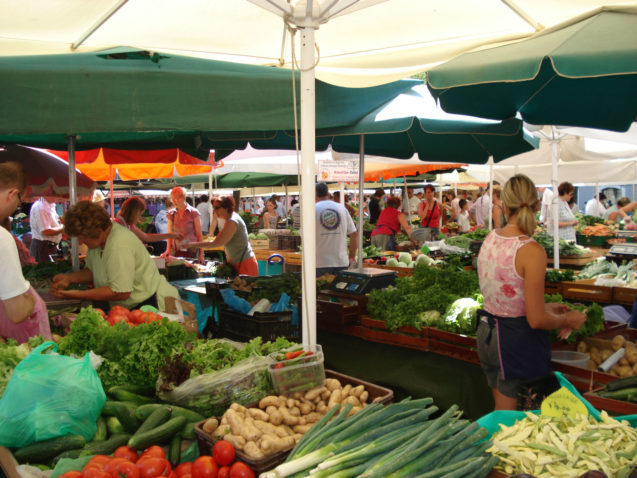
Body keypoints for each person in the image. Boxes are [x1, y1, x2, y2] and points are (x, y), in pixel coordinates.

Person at [476, 174, 586, 410]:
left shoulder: (490, 239)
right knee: (511, 422)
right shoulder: (531, 250)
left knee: (501, 411)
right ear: (537, 206)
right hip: (513, 342)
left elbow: (507, 300)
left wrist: (548, 308)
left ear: (503, 205)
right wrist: (568, 319)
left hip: (487, 333)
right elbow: (535, 320)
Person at [50, 201, 179, 310]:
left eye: (83, 238)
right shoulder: (98, 242)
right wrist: (69, 278)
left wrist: (78, 294)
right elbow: (93, 271)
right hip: (127, 307)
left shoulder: (118, 244)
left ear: (98, 231)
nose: (81, 242)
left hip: (150, 305)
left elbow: (120, 292)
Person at [0, 162, 51, 343]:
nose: (16, 207)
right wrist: (31, 299)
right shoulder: (2, 239)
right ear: (13, 194)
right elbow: (17, 312)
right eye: (19, 201)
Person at [185, 196, 258, 276]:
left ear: (226, 208)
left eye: (217, 208)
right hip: (239, 264)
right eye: (214, 208)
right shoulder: (230, 219)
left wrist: (192, 244)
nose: (214, 211)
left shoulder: (232, 221)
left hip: (245, 265)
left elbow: (216, 243)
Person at [315, 182, 358, 276]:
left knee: (321, 290)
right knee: (339, 290)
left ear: (315, 194)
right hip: (341, 261)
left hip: (320, 262)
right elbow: (354, 234)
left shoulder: (312, 209)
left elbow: (304, 236)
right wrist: (351, 256)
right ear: (328, 194)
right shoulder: (342, 208)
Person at [115, 197, 182, 247]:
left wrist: (171, 235)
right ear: (134, 212)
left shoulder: (128, 224)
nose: (139, 218)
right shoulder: (119, 224)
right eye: (139, 215)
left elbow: (147, 237)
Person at [164, 187, 204, 261]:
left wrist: (201, 254)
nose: (174, 201)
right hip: (176, 252)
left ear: (183, 198)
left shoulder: (194, 212)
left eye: (176, 199)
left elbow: (199, 235)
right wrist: (168, 250)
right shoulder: (171, 214)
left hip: (192, 251)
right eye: (172, 199)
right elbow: (169, 234)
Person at [29, 196, 64, 262]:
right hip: (43, 247)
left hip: (48, 246)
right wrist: (63, 227)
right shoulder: (41, 207)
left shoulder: (50, 205)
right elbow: (45, 231)